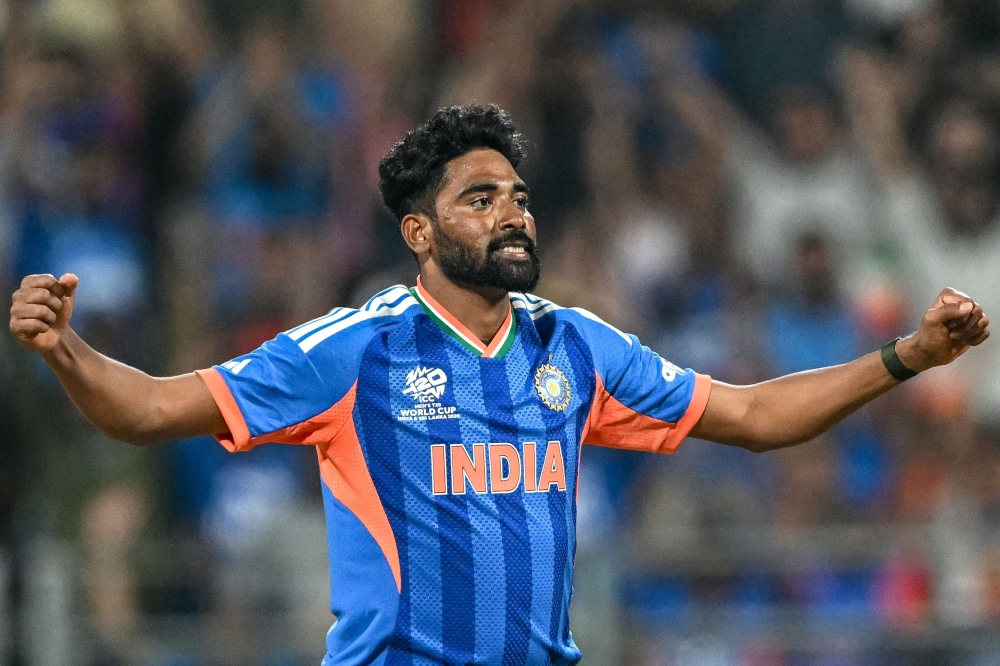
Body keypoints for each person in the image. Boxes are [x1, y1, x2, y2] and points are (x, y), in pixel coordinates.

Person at [8, 105, 991, 665]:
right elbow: (147, 409)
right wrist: (66, 350)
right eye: (479, 199)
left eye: (517, 196)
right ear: (420, 233)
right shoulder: (354, 352)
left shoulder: (575, 347)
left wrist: (905, 356)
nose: (511, 214)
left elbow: (753, 413)